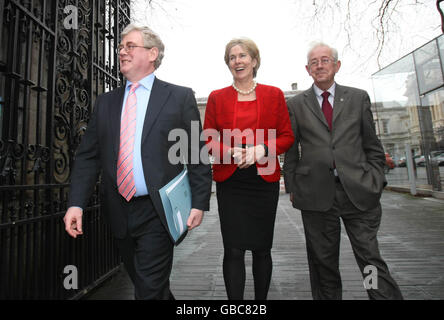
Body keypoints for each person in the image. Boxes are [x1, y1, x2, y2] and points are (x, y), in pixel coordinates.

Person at [63, 24, 212, 300]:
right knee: (147, 283)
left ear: (152, 53)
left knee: (148, 289)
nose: (122, 51)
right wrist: (76, 203)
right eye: (120, 47)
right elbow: (88, 157)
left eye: (129, 46)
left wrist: (199, 202)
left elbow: (196, 154)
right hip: (118, 210)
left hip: (159, 210)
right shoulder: (106, 102)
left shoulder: (179, 97)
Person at [283, 42, 403, 300]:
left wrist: (375, 179)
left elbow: (373, 145)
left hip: (358, 192)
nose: (320, 65)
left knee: (369, 259)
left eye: (325, 60)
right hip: (315, 195)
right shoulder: (296, 105)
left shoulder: (358, 98)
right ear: (307, 69)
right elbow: (291, 152)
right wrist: (293, 187)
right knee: (323, 263)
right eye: (314, 62)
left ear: (337, 65)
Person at [203, 38, 294, 300]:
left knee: (262, 249)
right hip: (230, 181)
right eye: (232, 57)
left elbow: (287, 136)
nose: (237, 61)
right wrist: (231, 151)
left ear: (254, 61)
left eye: (243, 56)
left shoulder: (274, 94)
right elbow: (208, 138)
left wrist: (260, 150)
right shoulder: (217, 97)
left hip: (263, 181)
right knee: (233, 249)